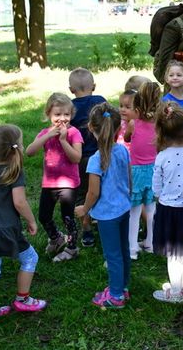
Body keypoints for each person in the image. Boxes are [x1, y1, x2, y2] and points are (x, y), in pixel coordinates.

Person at [0, 124, 47, 323]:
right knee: (30, 258)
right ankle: (23, 299)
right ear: (15, 149)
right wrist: (31, 220)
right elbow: (19, 202)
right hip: (6, 229)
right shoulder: (14, 172)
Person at [75, 103, 132, 309]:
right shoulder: (123, 152)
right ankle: (123, 286)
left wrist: (84, 209)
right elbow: (129, 178)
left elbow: (93, 192)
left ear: (91, 127)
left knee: (113, 255)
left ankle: (116, 296)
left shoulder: (95, 160)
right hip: (124, 209)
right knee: (123, 250)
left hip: (108, 216)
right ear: (119, 129)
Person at [152, 102, 183, 303]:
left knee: (174, 253)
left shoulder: (162, 156)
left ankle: (176, 290)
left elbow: (156, 188)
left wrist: (162, 196)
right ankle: (182, 287)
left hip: (169, 209)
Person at [26, 92, 83, 262]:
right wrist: (47, 136)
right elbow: (29, 152)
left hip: (69, 184)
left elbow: (76, 158)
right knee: (44, 215)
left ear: (71, 115)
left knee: (68, 217)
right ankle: (57, 238)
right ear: (48, 115)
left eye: (66, 114)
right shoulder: (46, 133)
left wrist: (64, 141)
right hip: (49, 183)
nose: (62, 118)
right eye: (57, 114)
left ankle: (72, 248)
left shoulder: (74, 133)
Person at [69, 67, 107, 248]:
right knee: (100, 189)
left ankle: (86, 228)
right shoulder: (100, 101)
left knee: (82, 192)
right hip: (102, 155)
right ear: (94, 86)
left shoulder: (70, 107)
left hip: (80, 158)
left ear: (71, 89)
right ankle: (101, 219)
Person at [124, 82, 160, 259]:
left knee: (134, 211)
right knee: (151, 208)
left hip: (136, 171)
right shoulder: (160, 125)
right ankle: (151, 242)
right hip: (154, 170)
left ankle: (132, 248)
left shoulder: (133, 123)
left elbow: (126, 138)